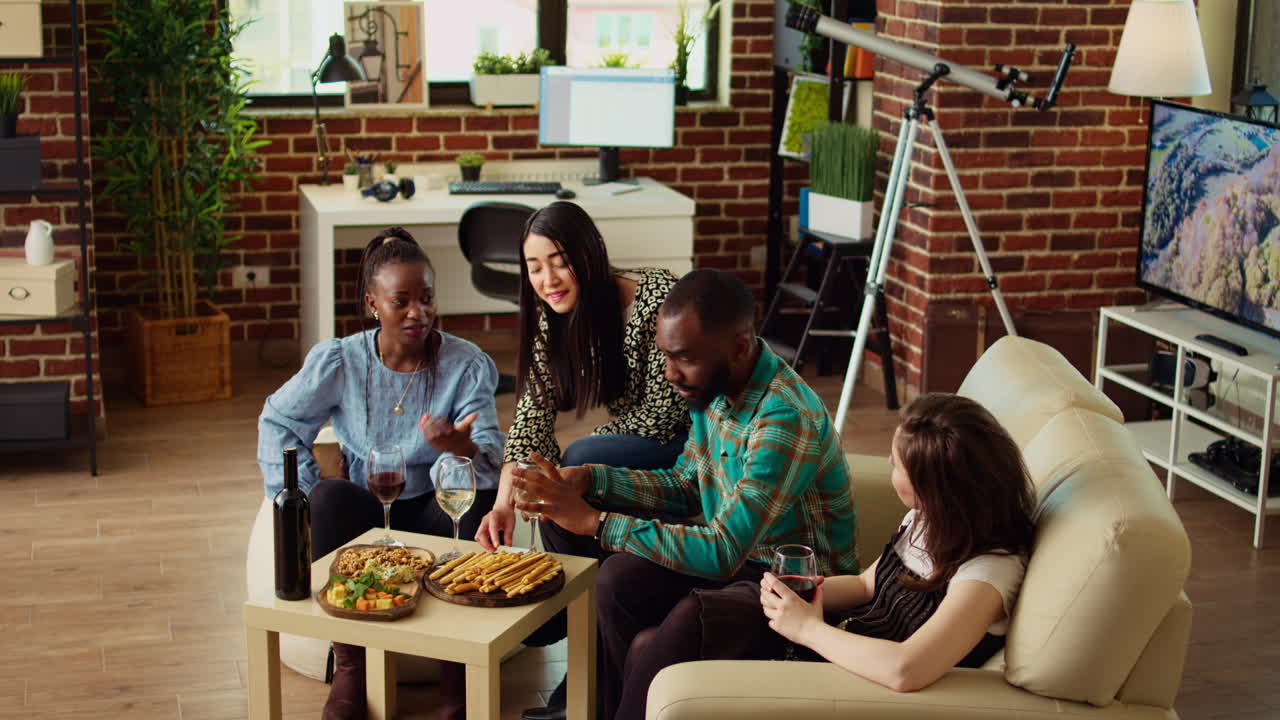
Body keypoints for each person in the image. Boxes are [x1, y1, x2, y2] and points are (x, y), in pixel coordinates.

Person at [510, 268, 859, 719]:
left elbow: (723, 550)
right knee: (616, 580)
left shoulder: (783, 418)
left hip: (797, 591)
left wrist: (596, 522)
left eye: (685, 358)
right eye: (665, 355)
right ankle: (598, 703)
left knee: (681, 615)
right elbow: (685, 487)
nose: (670, 373)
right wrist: (591, 480)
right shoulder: (713, 388)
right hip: (744, 562)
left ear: (739, 347)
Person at [610, 393, 1037, 720]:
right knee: (648, 639)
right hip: (838, 635)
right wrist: (797, 594)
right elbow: (868, 584)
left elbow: (906, 669)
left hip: (851, 673)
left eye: (896, 466)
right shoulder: (929, 520)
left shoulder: (987, 572)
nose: (889, 465)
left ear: (936, 490)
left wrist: (807, 629)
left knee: (694, 618)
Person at [258, 227, 504, 720]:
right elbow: (279, 421)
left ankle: (456, 680)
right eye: (401, 301)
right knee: (325, 499)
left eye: (427, 298)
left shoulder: (466, 364)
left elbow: (491, 456)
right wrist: (303, 491)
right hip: (368, 509)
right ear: (373, 303)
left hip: (435, 508)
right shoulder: (340, 360)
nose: (418, 313)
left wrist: (459, 448)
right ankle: (352, 667)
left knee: (476, 494)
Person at [471, 202, 690, 720]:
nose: (548, 279)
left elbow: (663, 418)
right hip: (630, 450)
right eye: (534, 267)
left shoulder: (654, 296)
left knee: (578, 460)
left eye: (560, 261)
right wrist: (503, 503)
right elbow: (530, 422)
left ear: (589, 255)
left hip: (687, 449)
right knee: (558, 487)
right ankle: (586, 671)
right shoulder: (551, 315)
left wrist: (575, 470)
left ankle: (581, 677)